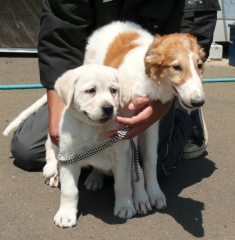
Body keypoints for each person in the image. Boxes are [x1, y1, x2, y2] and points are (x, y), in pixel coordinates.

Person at [10, 0, 220, 179]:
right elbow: (60, 36)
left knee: (147, 164)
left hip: (158, 84)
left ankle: (187, 111)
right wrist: (59, 110)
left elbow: (192, 42)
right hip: (99, 79)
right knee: (29, 150)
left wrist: (162, 105)